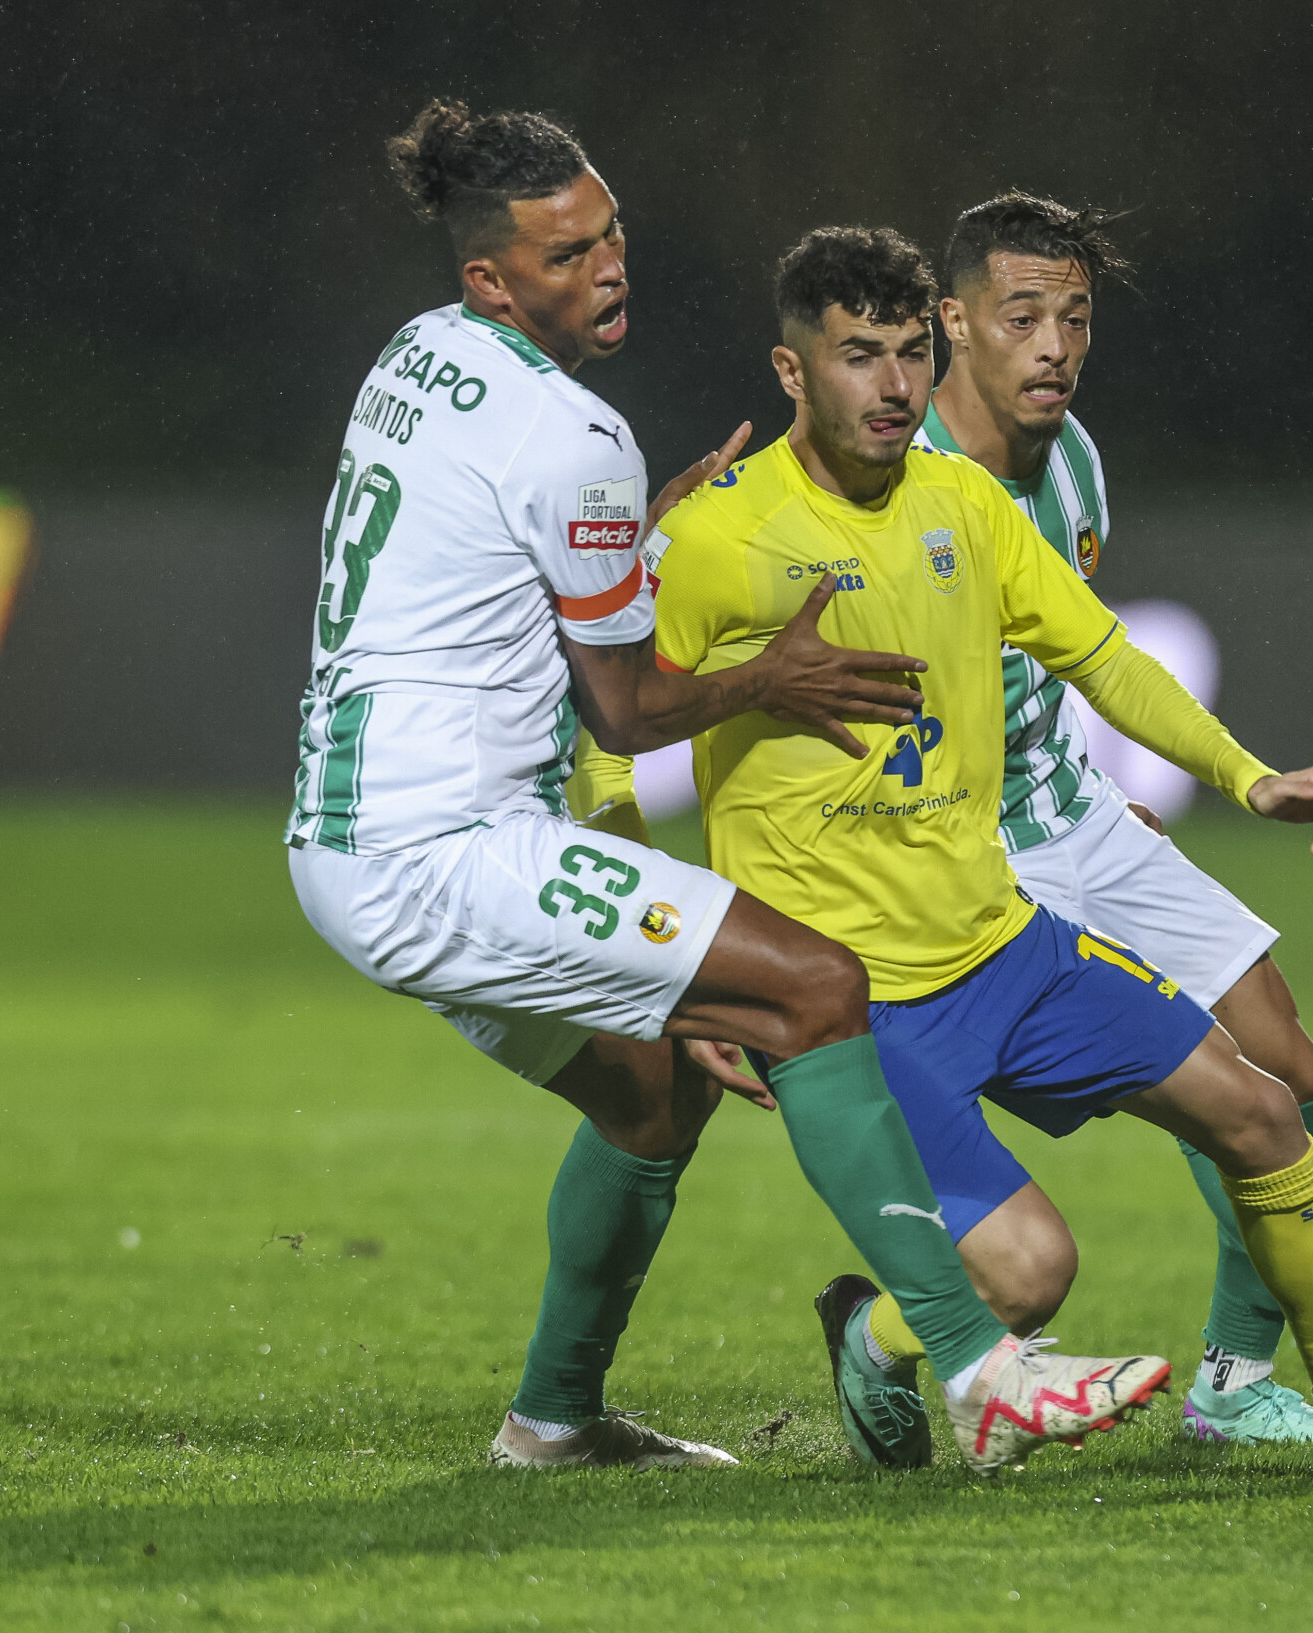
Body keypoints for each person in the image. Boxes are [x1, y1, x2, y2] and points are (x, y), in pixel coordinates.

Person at [286, 101, 1163, 1477]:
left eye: (610, 230)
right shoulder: (574, 433)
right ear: (492, 280)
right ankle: (981, 1368)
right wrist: (773, 675)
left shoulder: (421, 357)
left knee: (652, 1090)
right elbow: (624, 711)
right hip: (441, 846)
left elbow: (491, 560)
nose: (608, 267)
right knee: (813, 988)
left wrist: (621, 552)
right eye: (566, 255)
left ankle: (553, 1423)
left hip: (358, 831)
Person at [647, 224, 1313, 1486]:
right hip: (855, 995)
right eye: (856, 357)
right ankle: (879, 1338)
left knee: (1269, 1105)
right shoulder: (719, 537)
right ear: (790, 372)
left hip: (1006, 937)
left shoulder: (970, 504)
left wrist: (1243, 774)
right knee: (1031, 1275)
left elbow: (1098, 653)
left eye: (902, 356)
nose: (889, 385)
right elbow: (609, 731)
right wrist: (679, 961)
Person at [917, 192, 1313, 1458]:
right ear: (952, 321)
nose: (1053, 346)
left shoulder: (1076, 460)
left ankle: (1228, 1380)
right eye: (1022, 316)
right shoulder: (904, 488)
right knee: (1228, 1100)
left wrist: (1181, 780)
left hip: (1079, 816)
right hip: (971, 858)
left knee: (1295, 1077)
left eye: (1075, 319)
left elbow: (1074, 655)